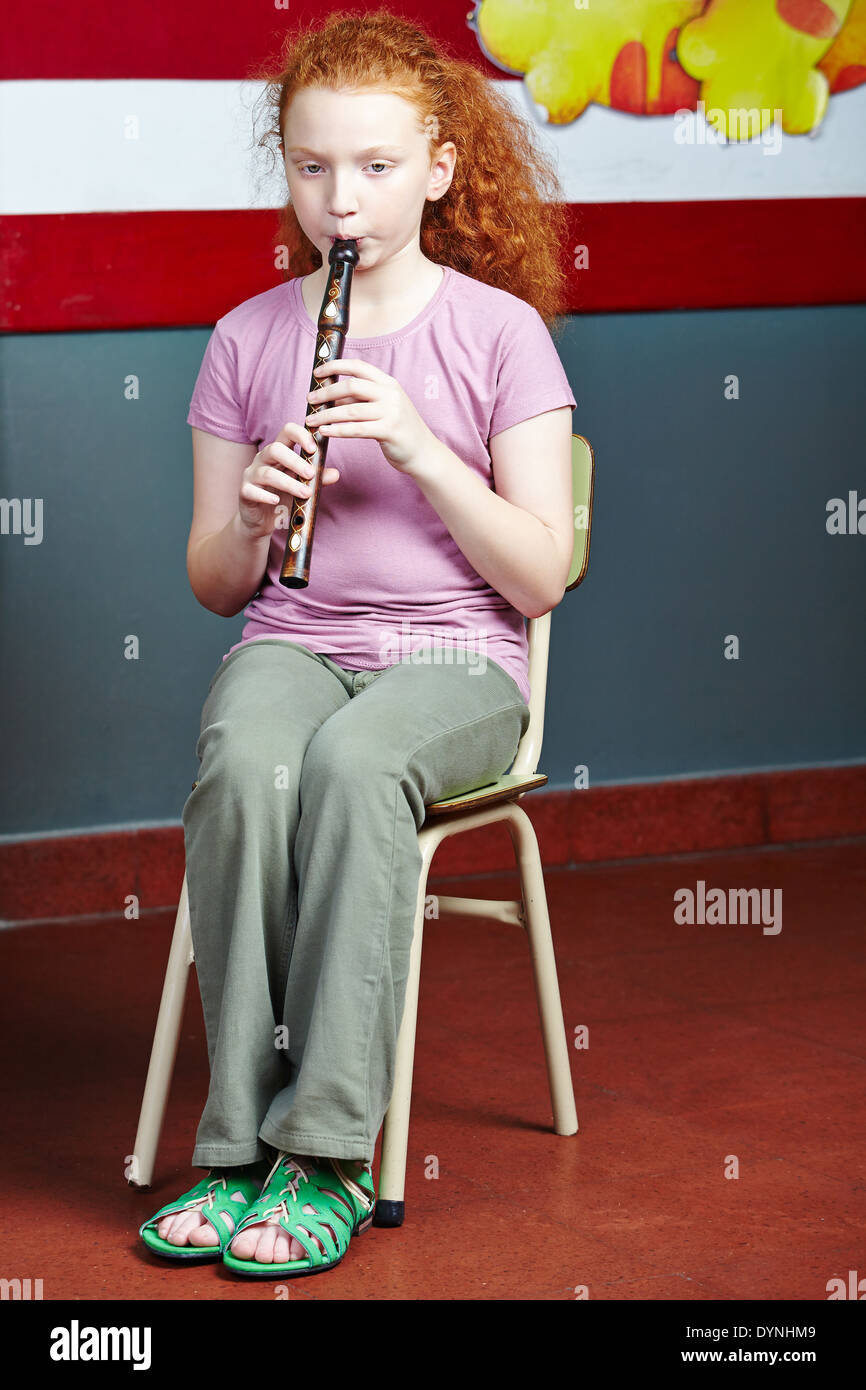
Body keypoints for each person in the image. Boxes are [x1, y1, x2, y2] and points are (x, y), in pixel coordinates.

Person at [139, 7, 577, 1280]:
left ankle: (324, 1149)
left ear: (437, 167)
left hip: (456, 662)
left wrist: (420, 446)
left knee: (343, 771)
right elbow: (215, 581)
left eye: (377, 168)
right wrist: (259, 513)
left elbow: (537, 576)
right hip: (295, 638)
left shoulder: (498, 335)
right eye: (314, 167)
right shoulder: (247, 338)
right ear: (286, 167)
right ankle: (233, 1151)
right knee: (245, 765)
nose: (343, 199)